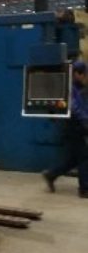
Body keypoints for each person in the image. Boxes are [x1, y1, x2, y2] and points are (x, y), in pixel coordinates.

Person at [43, 60, 88, 197]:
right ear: (76, 74)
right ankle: (84, 189)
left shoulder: (79, 87)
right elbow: (75, 108)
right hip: (74, 126)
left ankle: (51, 175)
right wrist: (85, 120)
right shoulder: (70, 88)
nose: (84, 77)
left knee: (74, 159)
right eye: (83, 74)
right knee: (84, 156)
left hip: (77, 125)